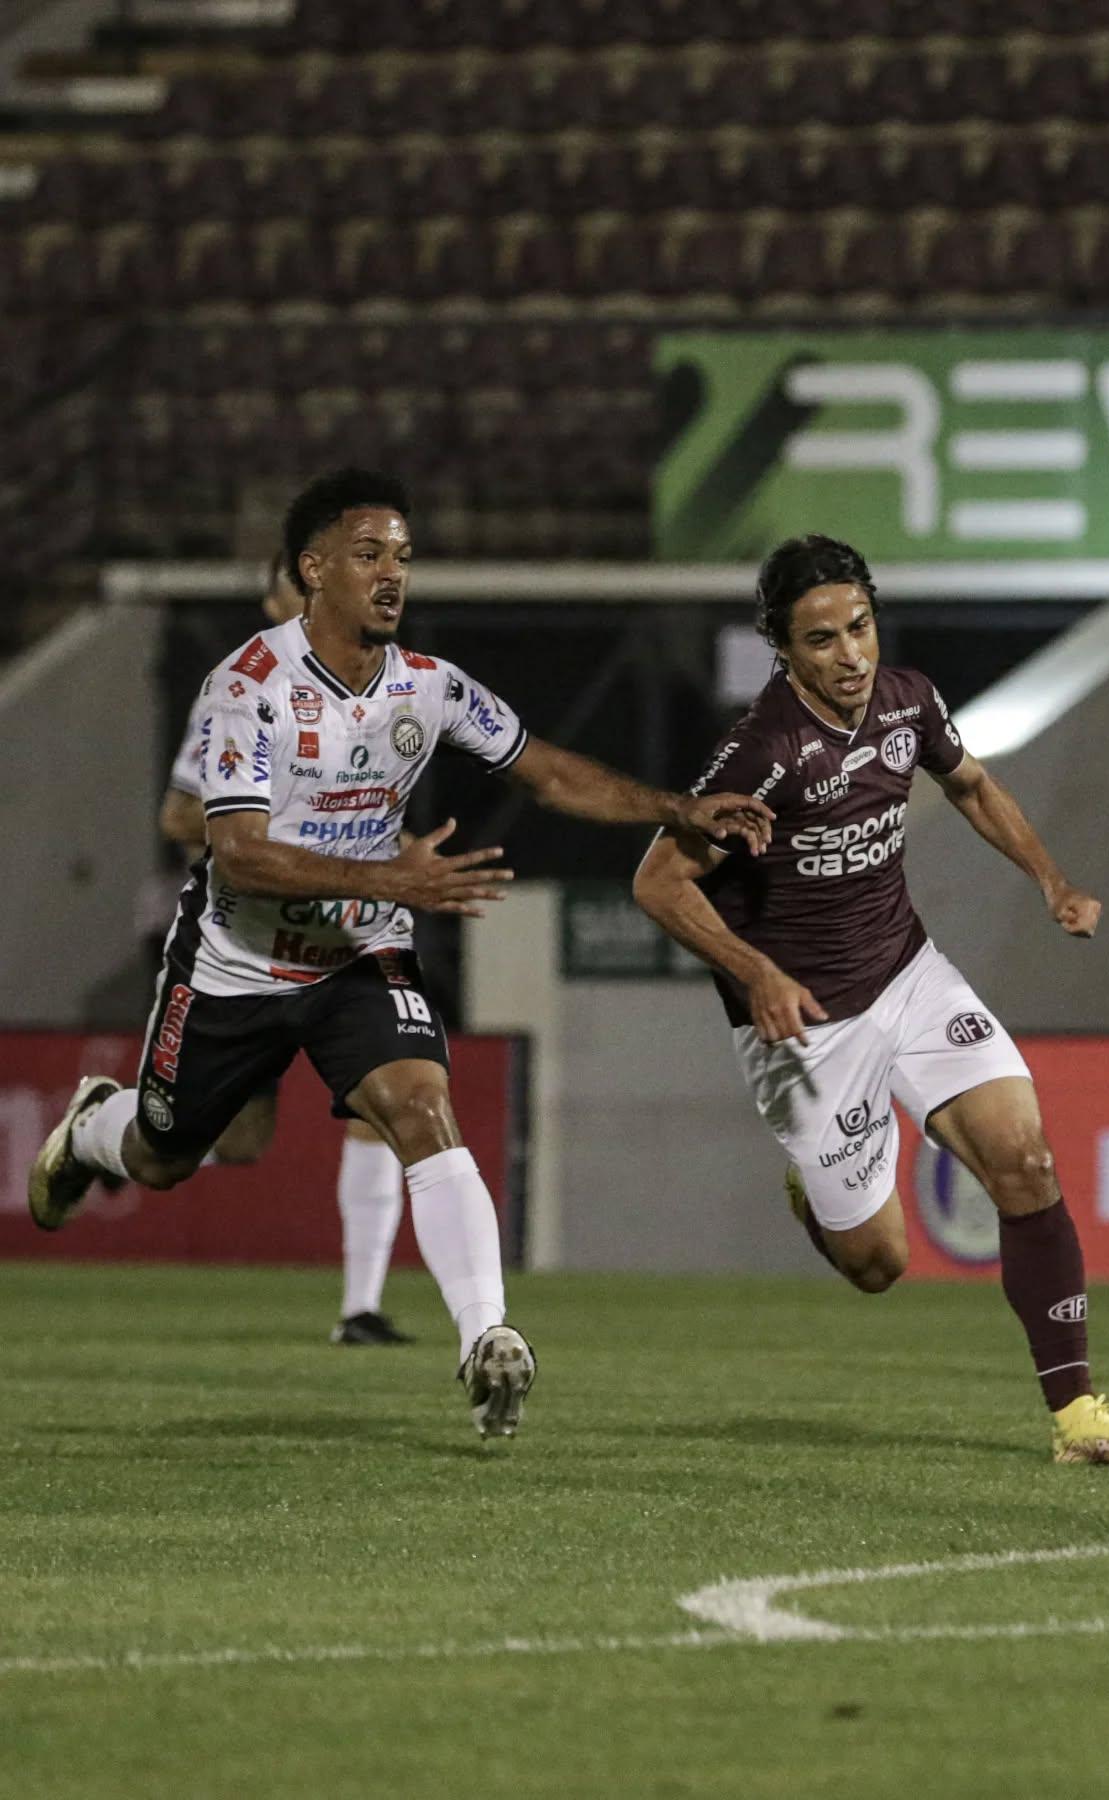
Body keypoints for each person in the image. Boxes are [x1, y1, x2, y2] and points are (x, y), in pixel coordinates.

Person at [30, 467, 772, 1442]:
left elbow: (546, 770)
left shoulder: (430, 687)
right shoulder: (248, 687)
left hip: (357, 958)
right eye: (370, 554)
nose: (393, 575)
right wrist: (392, 881)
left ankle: (488, 1340)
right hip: (237, 966)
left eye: (404, 558)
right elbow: (241, 856)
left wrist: (676, 807)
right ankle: (94, 1130)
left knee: (421, 1106)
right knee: (163, 1154)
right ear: (314, 569)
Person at [633, 534, 1109, 1465]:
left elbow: (973, 784)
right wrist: (755, 971)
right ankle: (817, 1194)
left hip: (910, 977)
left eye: (861, 628)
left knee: (1026, 1160)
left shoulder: (908, 700)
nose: (851, 656)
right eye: (823, 640)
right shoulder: (761, 753)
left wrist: (1050, 881)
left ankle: (1077, 1416)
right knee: (881, 1267)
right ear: (784, 651)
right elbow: (659, 884)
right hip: (809, 1028)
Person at [160, 554, 415, 1348]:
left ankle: (360, 1308)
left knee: (388, 1106)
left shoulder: (381, 692)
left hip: (350, 940)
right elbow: (176, 817)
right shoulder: (240, 692)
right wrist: (272, 843)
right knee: (236, 1140)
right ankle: (113, 1137)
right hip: (248, 949)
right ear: (279, 596)